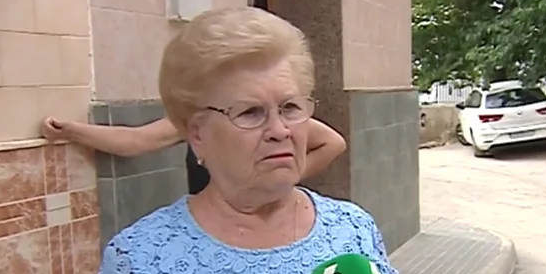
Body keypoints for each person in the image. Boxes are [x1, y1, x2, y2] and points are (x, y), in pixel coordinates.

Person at [77, 7, 408, 274]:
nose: (280, 130)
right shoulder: (142, 258)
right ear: (198, 133)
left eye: (291, 107)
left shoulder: (353, 232)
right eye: (251, 113)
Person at [41, 111, 345, 195]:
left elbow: (334, 142)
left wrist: (278, 180)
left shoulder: (270, 114)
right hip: (212, 223)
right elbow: (135, 141)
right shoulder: (197, 120)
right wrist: (71, 130)